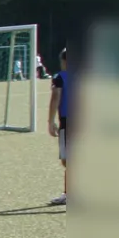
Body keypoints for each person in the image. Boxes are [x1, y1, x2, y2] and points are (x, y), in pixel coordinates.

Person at [47, 47, 69, 206]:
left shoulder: (59, 77)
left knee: (67, 159)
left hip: (68, 121)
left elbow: (56, 96)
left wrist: (50, 121)